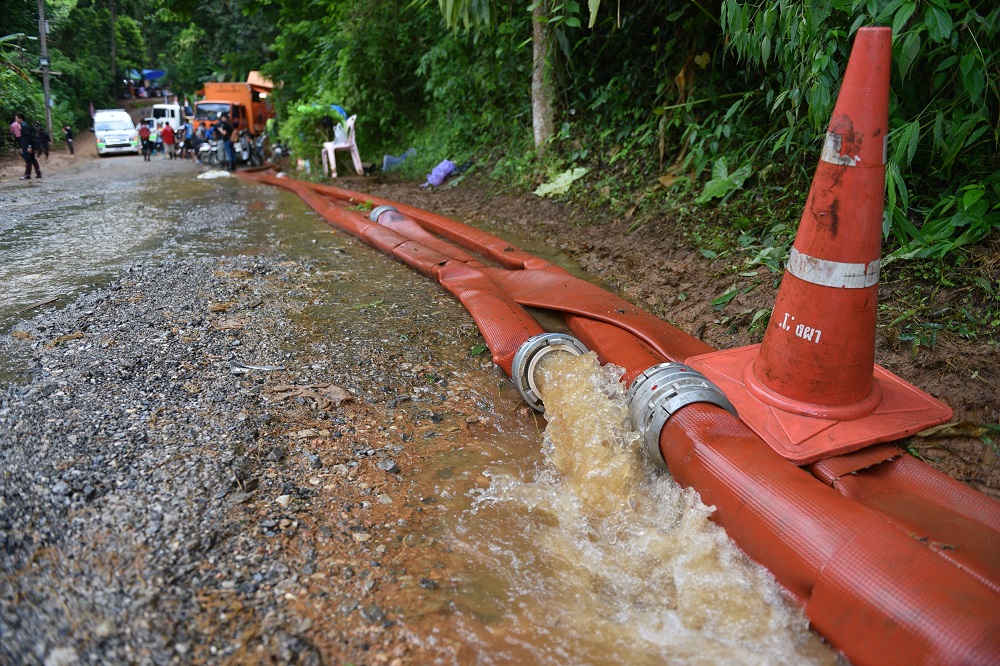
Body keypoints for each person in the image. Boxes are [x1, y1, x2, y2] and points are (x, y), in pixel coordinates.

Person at [14, 113, 41, 180]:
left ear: (20, 119)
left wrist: (29, 146)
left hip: (27, 145)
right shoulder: (21, 126)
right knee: (32, 159)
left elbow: (29, 137)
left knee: (28, 160)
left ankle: (27, 175)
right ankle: (38, 173)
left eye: (16, 118)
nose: (15, 119)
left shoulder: (24, 126)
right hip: (25, 145)